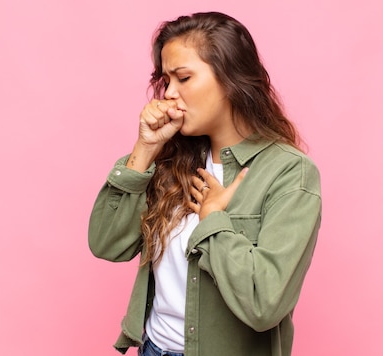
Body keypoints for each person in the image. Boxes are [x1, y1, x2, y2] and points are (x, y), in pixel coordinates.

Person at [88, 11, 322, 356]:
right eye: (165, 80)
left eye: (183, 78)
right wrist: (145, 150)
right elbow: (107, 244)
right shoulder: (171, 160)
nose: (169, 93)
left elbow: (265, 305)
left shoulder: (289, 172)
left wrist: (213, 222)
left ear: (230, 78)